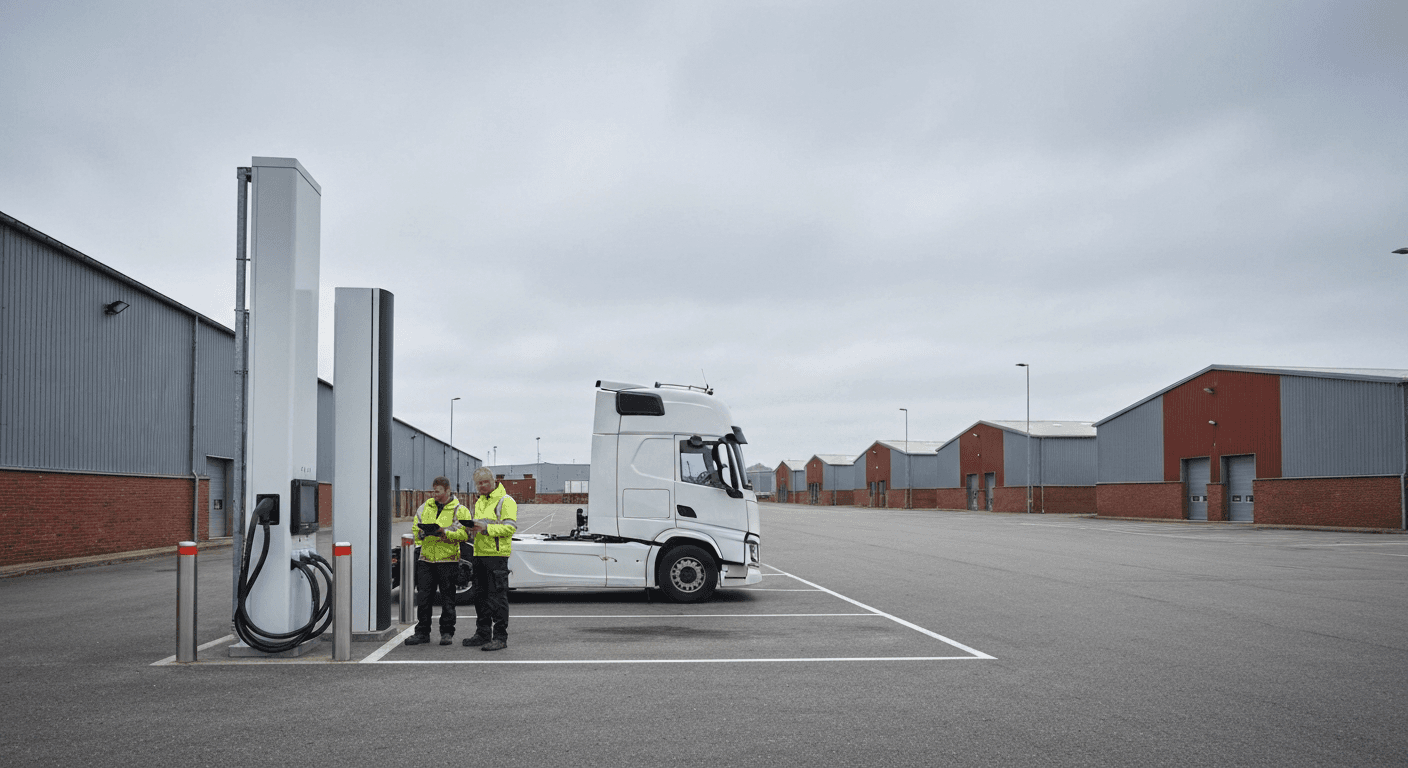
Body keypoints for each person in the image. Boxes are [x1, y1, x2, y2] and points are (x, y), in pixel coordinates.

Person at [404, 476, 472, 646]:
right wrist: (421, 536)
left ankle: (447, 632)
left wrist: (444, 533)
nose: (434, 494)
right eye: (433, 490)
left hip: (448, 560)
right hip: (426, 559)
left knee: (448, 599)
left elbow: (465, 534)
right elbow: (415, 527)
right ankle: (422, 633)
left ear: (447, 491)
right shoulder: (425, 507)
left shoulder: (459, 510)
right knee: (424, 598)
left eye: (437, 491)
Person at [461, 467, 517, 651]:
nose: (483, 485)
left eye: (486, 481)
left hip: (496, 556)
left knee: (497, 598)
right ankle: (483, 633)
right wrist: (472, 529)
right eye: (479, 483)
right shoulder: (480, 502)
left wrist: (485, 528)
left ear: (493, 481)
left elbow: (509, 528)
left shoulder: (506, 501)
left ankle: (500, 637)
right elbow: (481, 525)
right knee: (480, 597)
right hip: (479, 554)